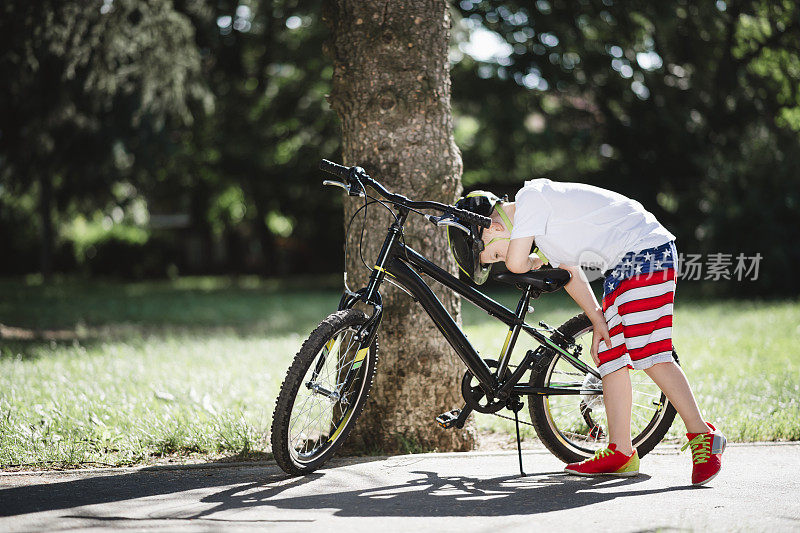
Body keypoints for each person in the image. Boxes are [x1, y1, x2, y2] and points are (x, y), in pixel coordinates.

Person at [449, 181, 725, 486]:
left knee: (649, 353)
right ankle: (620, 451)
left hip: (645, 252)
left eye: (494, 255)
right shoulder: (542, 229)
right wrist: (597, 319)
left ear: (489, 229)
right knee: (611, 355)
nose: (502, 259)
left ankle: (703, 434)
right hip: (624, 263)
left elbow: (516, 264)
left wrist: (529, 262)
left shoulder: (532, 199)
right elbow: (571, 275)